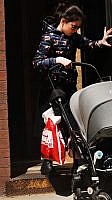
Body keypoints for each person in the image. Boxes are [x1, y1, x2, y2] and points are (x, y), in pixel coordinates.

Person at [33, 2, 112, 174]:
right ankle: (47, 160)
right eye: (73, 26)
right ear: (63, 21)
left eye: (78, 28)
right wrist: (57, 60)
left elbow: (87, 44)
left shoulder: (74, 37)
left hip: (69, 86)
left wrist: (101, 42)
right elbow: (37, 63)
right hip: (53, 87)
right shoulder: (49, 37)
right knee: (52, 123)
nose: (75, 30)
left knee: (74, 124)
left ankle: (78, 161)